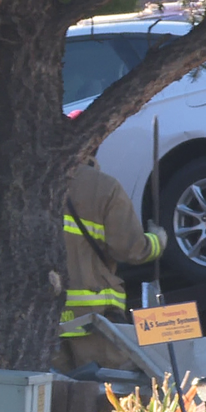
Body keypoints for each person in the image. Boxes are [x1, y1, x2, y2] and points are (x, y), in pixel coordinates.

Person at [54, 109, 167, 374]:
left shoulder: (23, 185)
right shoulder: (103, 187)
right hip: (93, 318)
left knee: (55, 400)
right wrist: (158, 240)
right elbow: (132, 249)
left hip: (45, 319)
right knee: (110, 395)